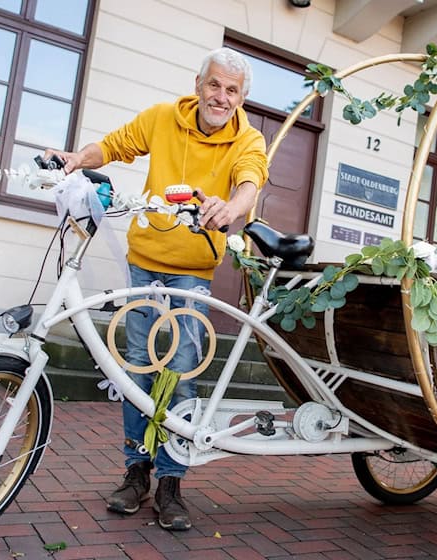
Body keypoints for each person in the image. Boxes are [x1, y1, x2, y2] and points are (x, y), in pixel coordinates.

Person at [44, 47, 267, 531]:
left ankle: (171, 481)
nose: (221, 97)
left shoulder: (248, 138)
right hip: (144, 261)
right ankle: (136, 471)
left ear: (241, 97)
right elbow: (116, 145)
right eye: (215, 85)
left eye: (232, 90)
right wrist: (75, 158)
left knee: (182, 372)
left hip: (194, 271)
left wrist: (232, 208)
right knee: (135, 367)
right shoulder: (164, 118)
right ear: (198, 84)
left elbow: (251, 181)